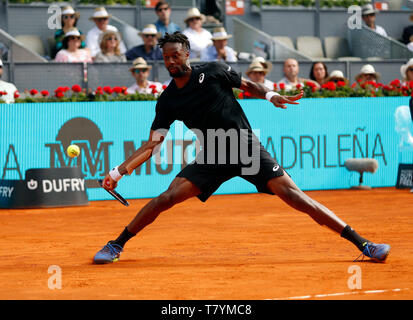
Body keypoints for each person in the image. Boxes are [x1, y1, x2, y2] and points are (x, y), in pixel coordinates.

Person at [92, 31, 390, 265]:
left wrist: (271, 95)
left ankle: (364, 243)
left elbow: (248, 85)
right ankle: (117, 243)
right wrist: (119, 172)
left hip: (245, 147)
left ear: (187, 54)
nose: (170, 62)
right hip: (214, 154)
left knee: (296, 197)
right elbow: (154, 143)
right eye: (165, 58)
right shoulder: (168, 99)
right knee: (166, 198)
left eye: (174, 56)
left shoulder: (214, 70)